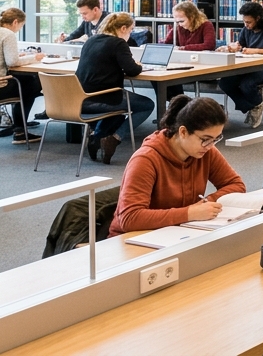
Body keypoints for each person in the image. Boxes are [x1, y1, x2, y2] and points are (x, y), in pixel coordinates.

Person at [109, 95, 244, 236]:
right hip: (132, 240)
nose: (210, 146)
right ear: (183, 132)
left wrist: (206, 203)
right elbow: (130, 218)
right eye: (205, 139)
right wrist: (188, 213)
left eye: (216, 139)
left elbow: (236, 185)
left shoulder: (205, 151)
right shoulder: (145, 159)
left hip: (175, 232)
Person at [74, 13, 156, 164]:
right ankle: (114, 138)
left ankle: (97, 137)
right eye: (131, 30)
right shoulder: (118, 43)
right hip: (105, 97)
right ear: (123, 28)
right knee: (147, 105)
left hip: (82, 98)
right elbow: (132, 70)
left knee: (117, 115)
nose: (130, 34)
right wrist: (139, 65)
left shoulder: (91, 40)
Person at [216, 1, 263, 127]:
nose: (246, 25)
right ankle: (254, 106)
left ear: (258, 19)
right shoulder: (246, 29)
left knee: (246, 84)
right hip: (250, 67)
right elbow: (241, 45)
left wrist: (256, 50)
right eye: (244, 22)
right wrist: (233, 48)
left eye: (249, 22)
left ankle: (255, 105)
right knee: (225, 82)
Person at [0, 8, 43, 142]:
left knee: (25, 81)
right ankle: (19, 129)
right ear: (15, 22)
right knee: (34, 83)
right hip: (2, 85)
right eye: (21, 26)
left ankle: (19, 125)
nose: (19, 29)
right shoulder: (7, 34)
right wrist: (35, 58)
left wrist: (19, 56)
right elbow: (12, 62)